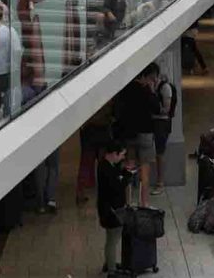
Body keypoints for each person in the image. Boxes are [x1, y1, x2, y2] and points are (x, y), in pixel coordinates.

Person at [112, 62, 161, 207]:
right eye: (152, 78)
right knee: (144, 172)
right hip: (145, 133)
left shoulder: (125, 89)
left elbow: (117, 111)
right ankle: (144, 203)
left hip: (128, 134)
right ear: (146, 76)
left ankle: (128, 202)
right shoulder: (147, 91)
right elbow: (157, 109)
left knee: (129, 167)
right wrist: (152, 91)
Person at [97, 140, 134, 277]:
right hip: (112, 211)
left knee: (110, 238)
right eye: (122, 155)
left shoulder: (105, 165)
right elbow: (116, 187)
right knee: (113, 241)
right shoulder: (106, 170)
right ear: (113, 153)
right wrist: (127, 177)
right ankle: (112, 271)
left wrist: (123, 172)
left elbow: (116, 174)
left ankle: (109, 263)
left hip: (106, 209)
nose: (123, 158)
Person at [151, 73, 175, 195]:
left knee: (160, 153)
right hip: (154, 122)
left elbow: (167, 109)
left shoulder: (164, 88)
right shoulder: (153, 87)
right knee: (157, 153)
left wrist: (155, 108)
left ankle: (160, 182)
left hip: (162, 123)